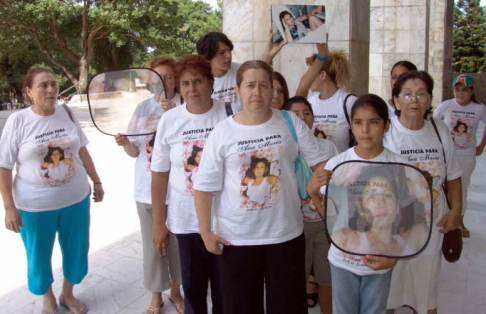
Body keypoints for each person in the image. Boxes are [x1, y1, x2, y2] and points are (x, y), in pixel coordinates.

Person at [194, 60, 330, 314]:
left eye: (264, 85)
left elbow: (320, 161)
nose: (257, 92)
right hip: (236, 239)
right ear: (238, 90)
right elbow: (203, 187)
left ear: (272, 91)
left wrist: (313, 187)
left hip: (285, 235)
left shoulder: (289, 122)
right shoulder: (222, 132)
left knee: (288, 306)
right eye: (250, 85)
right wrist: (205, 232)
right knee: (241, 307)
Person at [0, 67, 104, 314]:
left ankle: (68, 294)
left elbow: (81, 150)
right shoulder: (19, 120)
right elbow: (4, 166)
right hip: (34, 207)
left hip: (76, 200)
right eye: (43, 85)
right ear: (28, 91)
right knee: (38, 256)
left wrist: (97, 181)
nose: (50, 90)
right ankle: (47, 298)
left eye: (54, 84)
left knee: (76, 249)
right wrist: (8, 208)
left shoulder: (66, 112)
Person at [307, 94, 404, 314]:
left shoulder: (400, 167)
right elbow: (331, 217)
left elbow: (408, 218)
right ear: (351, 126)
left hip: (380, 261)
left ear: (386, 125)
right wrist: (313, 193)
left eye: (374, 122)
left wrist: (394, 255)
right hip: (342, 261)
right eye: (358, 122)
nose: (365, 130)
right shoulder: (337, 164)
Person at [151, 54, 229, 314]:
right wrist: (158, 223)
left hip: (225, 219)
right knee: (193, 289)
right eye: (185, 84)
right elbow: (159, 174)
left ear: (210, 83)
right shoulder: (170, 121)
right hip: (186, 221)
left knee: (225, 288)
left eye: (198, 81)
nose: (191, 89)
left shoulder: (230, 115)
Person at [384, 71, 462, 314]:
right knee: (388, 295)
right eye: (407, 94)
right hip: (393, 231)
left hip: (432, 227)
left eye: (421, 94)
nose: (414, 100)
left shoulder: (439, 130)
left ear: (429, 100)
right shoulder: (387, 132)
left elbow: (453, 175)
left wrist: (457, 210)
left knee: (426, 296)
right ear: (396, 100)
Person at [115, 54, 184, 314]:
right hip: (146, 191)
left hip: (178, 191)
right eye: (158, 77)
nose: (164, 82)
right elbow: (135, 152)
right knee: (153, 246)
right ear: (149, 81)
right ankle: (156, 297)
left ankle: (176, 292)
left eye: (168, 76)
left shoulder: (184, 105)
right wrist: (125, 143)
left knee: (177, 246)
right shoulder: (143, 109)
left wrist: (174, 114)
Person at [283, 96, 338, 314]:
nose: (302, 118)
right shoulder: (284, 148)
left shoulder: (327, 147)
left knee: (327, 277)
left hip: (325, 224)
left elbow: (338, 183)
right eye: (295, 114)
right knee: (297, 278)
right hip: (297, 226)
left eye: (307, 113)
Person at [433, 74, 486, 238]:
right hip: (446, 155)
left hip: (466, 155)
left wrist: (482, 145)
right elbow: (432, 124)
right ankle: (443, 217)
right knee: (443, 187)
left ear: (471, 91)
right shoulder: (445, 106)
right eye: (457, 89)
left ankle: (459, 220)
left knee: (461, 188)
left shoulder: (479, 108)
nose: (460, 94)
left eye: (464, 90)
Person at [304, 48, 357, 153]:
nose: (307, 78)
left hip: (341, 167)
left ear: (322, 75)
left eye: (311, 73)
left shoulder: (350, 102)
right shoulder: (310, 102)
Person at [197, 32, 241, 105]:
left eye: (229, 50)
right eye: (222, 52)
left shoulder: (242, 70)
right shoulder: (201, 81)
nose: (228, 55)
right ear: (207, 57)